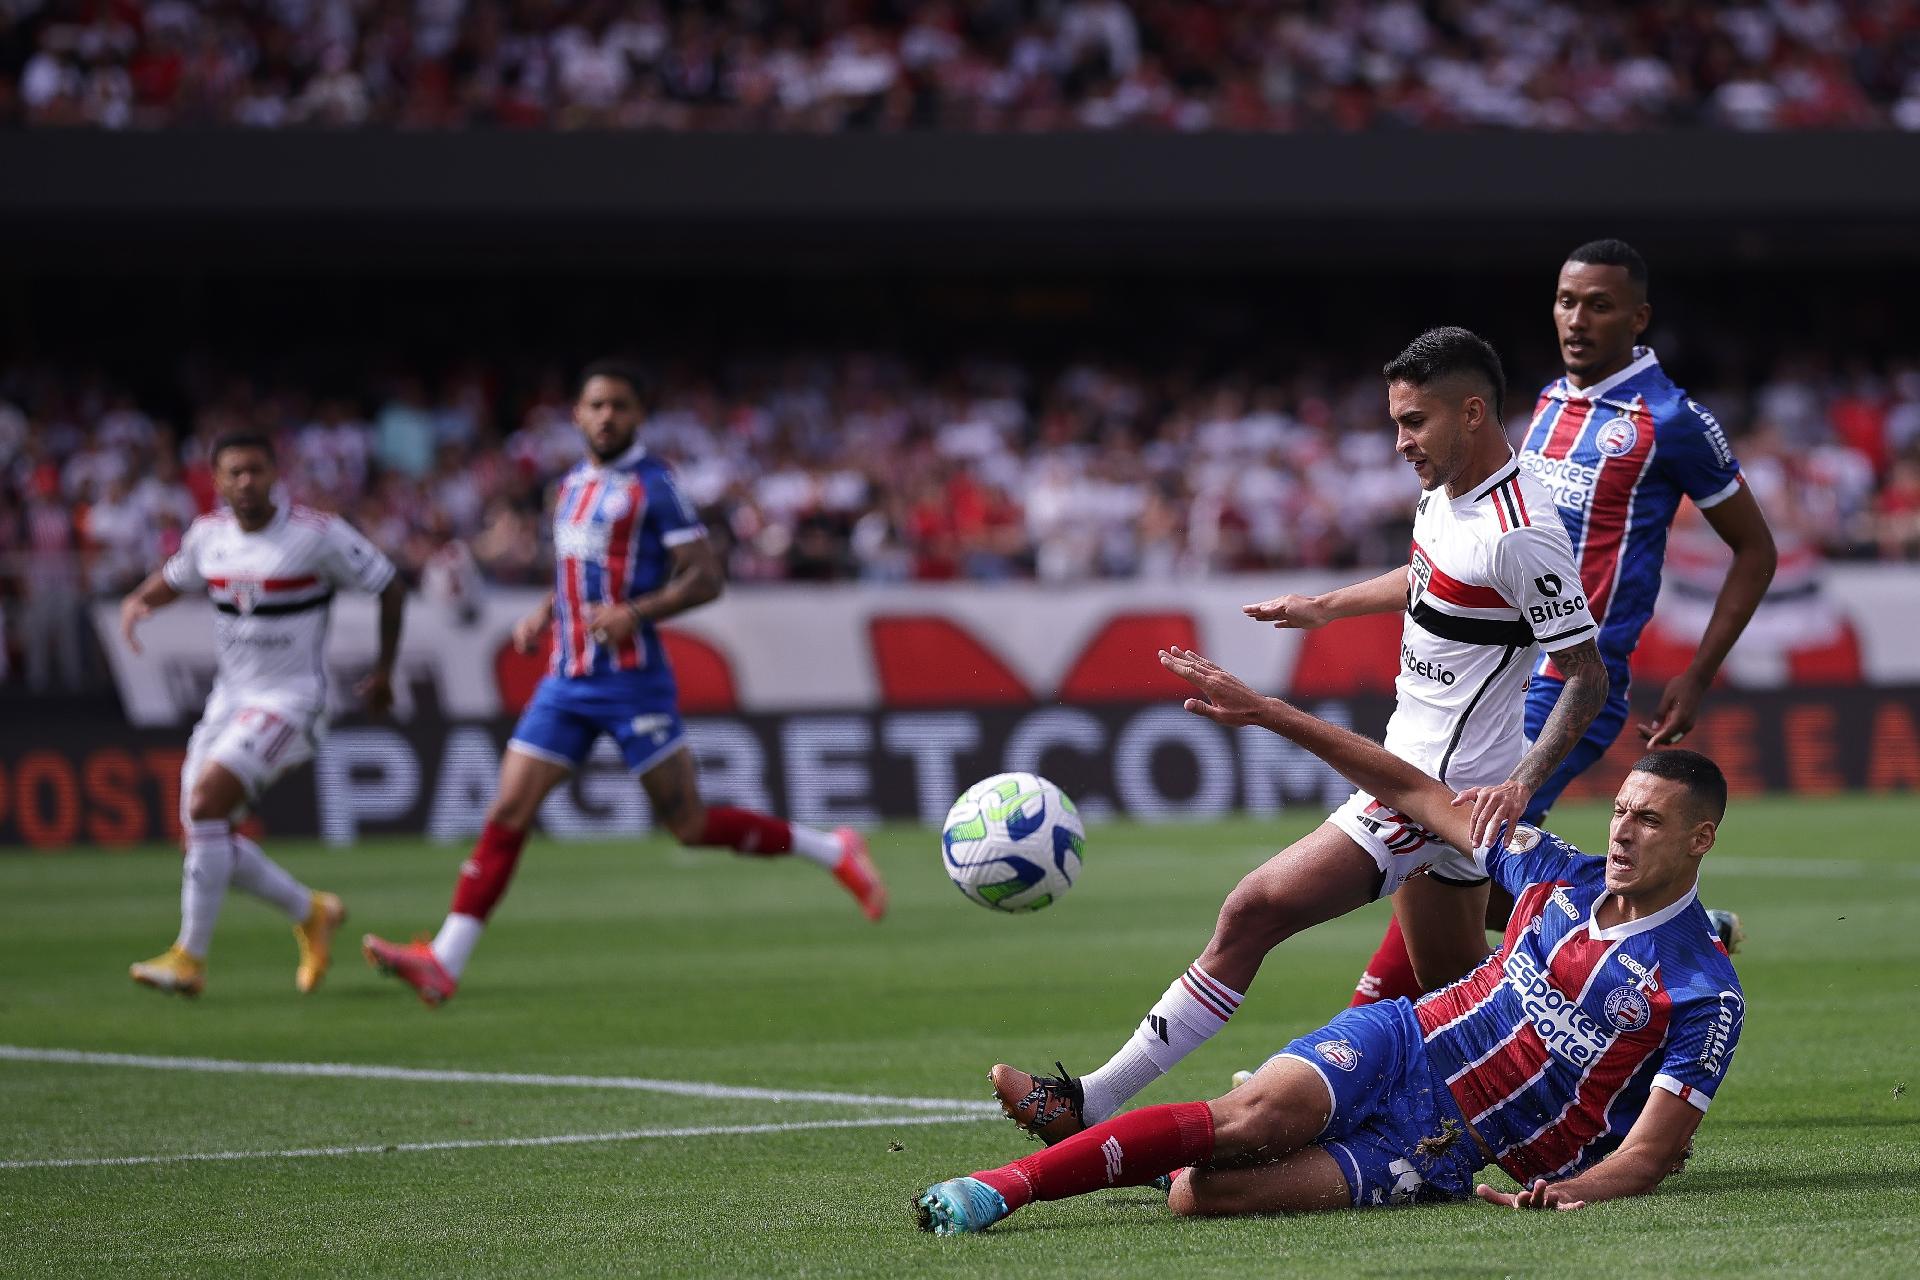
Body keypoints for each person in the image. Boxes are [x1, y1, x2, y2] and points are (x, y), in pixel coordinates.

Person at [989, 328, 1610, 1142]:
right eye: (1396, 421)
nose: (1399, 443)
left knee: (1253, 909)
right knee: (1457, 996)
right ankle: (1574, 1113)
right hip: (1442, 793)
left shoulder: (1523, 530)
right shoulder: (1448, 491)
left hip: (1430, 793)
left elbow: (1587, 673)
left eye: (1414, 422)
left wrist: (1523, 780)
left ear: (1471, 412)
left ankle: (1086, 1105)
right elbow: (1433, 576)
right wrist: (1328, 604)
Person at [915, 646, 1742, 1234]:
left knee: (1204, 1197)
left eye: (1650, 820)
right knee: (1248, 1115)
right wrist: (1269, 713)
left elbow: (1651, 1154)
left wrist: (1570, 1192)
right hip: (1403, 1042)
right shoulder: (1558, 871)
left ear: (1699, 840)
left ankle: (1167, 1158)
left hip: (1444, 1146)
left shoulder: (1703, 990)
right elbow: (1417, 792)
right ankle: (1002, 1189)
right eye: (1621, 812)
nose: (1624, 833)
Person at [362, 360, 886, 1007]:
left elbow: (706, 577)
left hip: (633, 682)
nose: (606, 416)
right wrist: (544, 612)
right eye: (596, 405)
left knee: (689, 826)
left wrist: (636, 613)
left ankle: (831, 849)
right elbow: (578, 574)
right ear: (577, 415)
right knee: (508, 811)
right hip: (566, 679)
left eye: (619, 406)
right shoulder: (570, 486)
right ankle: (444, 959)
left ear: (638, 415)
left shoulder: (653, 485)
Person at [1348, 238, 1777, 1006]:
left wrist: (1699, 672)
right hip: (1501, 669)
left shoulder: (1671, 420)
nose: (1577, 319)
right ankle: (1677, 925)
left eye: (1599, 305)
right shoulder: (1548, 401)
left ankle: (1359, 1036)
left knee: (1445, 847)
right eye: (1566, 301)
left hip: (1570, 678)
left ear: (1638, 317)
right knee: (1455, 855)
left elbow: (1756, 549)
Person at [120, 434, 407, 997]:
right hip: (228, 701)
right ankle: (312, 911)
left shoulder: (316, 536)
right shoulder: (209, 536)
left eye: (256, 470)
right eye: (234, 473)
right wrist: (138, 601)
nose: (246, 482)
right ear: (217, 479)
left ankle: (190, 958)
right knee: (203, 838)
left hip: (292, 702)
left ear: (276, 473)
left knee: (204, 805)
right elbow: (176, 579)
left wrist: (386, 673)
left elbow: (390, 587)